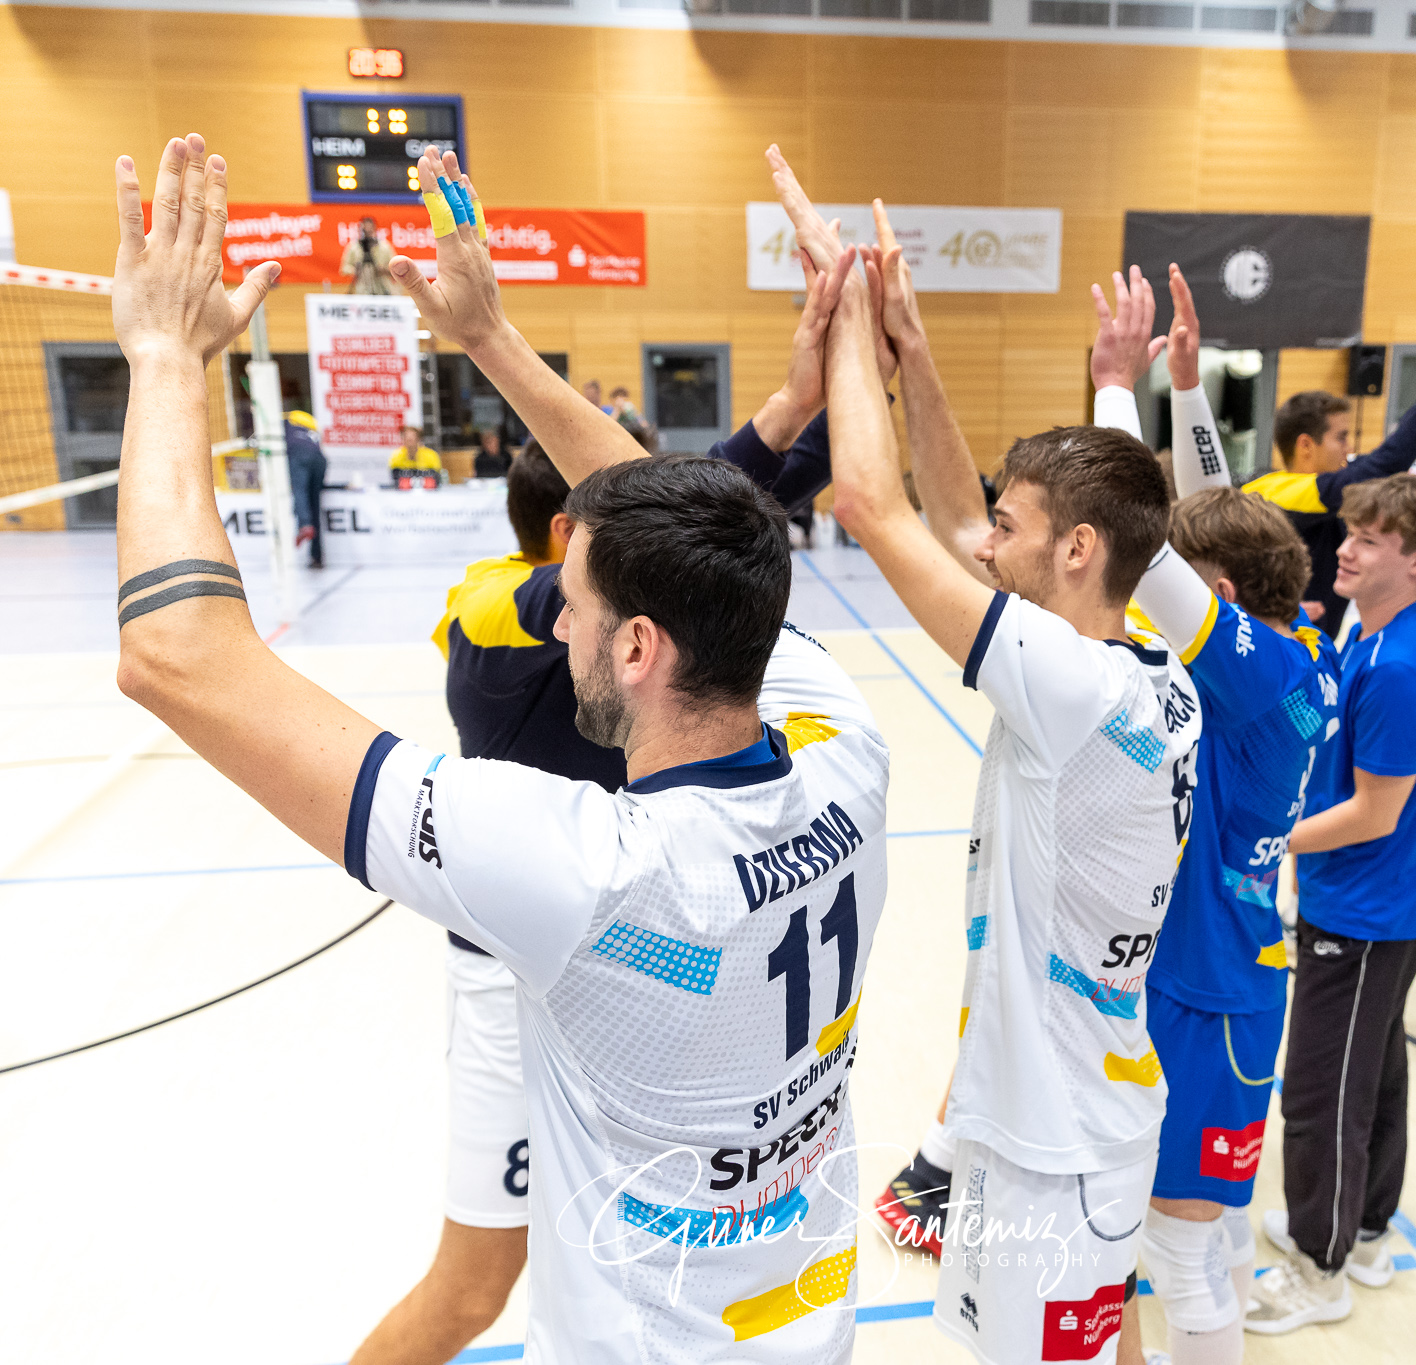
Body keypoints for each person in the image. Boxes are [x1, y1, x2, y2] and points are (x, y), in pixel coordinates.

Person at [112, 135, 891, 1362]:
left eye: (572, 600)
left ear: (636, 648)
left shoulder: (578, 869)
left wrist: (162, 359)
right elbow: (670, 516)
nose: (554, 613)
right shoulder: (849, 750)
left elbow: (177, 654)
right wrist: (487, 335)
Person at [774, 153, 1199, 1365]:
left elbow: (870, 504)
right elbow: (963, 522)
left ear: (1073, 550)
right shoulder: (1132, 660)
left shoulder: (1069, 687)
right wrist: (913, 356)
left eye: (1014, 531)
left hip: (1060, 1148)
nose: (984, 544)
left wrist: (846, 313)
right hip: (1035, 1124)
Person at [1087, 264, 1342, 1365]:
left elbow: (1140, 543)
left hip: (1215, 998)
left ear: (1219, 603)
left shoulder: (1255, 679)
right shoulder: (1286, 654)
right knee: (1198, 1243)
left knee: (1181, 1254)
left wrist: (1111, 390)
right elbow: (1212, 520)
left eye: (1182, 591)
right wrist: (1185, 396)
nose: (1153, 604)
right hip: (1199, 976)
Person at [348, 441, 619, 1365]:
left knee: (615, 1263)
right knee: (473, 1286)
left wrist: (793, 411)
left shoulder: (610, 629)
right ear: (565, 536)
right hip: (509, 985)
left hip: (613, 974)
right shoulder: (492, 604)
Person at [1247, 473, 1416, 1334]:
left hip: (1368, 913)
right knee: (1371, 1073)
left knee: (1319, 1090)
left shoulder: (1402, 671)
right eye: (1350, 530)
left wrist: (1265, 839)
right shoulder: (1368, 635)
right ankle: (1366, 1230)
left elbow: (1377, 810)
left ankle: (1320, 1263)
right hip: (1372, 905)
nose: (1346, 546)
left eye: (1371, 539)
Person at [1244, 326, 1416, 639]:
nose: (1349, 448)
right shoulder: (1269, 491)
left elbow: (1388, 458)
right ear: (1306, 445)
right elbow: (1385, 463)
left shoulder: (1328, 494)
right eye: (1341, 437)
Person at [285, 409, 328, 569]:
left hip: (299, 455)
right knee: (314, 505)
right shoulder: (311, 425)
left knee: (299, 490)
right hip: (319, 459)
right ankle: (316, 557)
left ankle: (304, 524)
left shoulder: (284, 422)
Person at [342, 216, 395, 294]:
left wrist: (383, 270)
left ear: (374, 229)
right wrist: (355, 270)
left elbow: (395, 269)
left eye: (370, 230)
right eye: (365, 231)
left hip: (381, 288)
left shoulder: (385, 247)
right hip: (361, 290)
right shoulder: (353, 247)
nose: (367, 234)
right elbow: (344, 268)